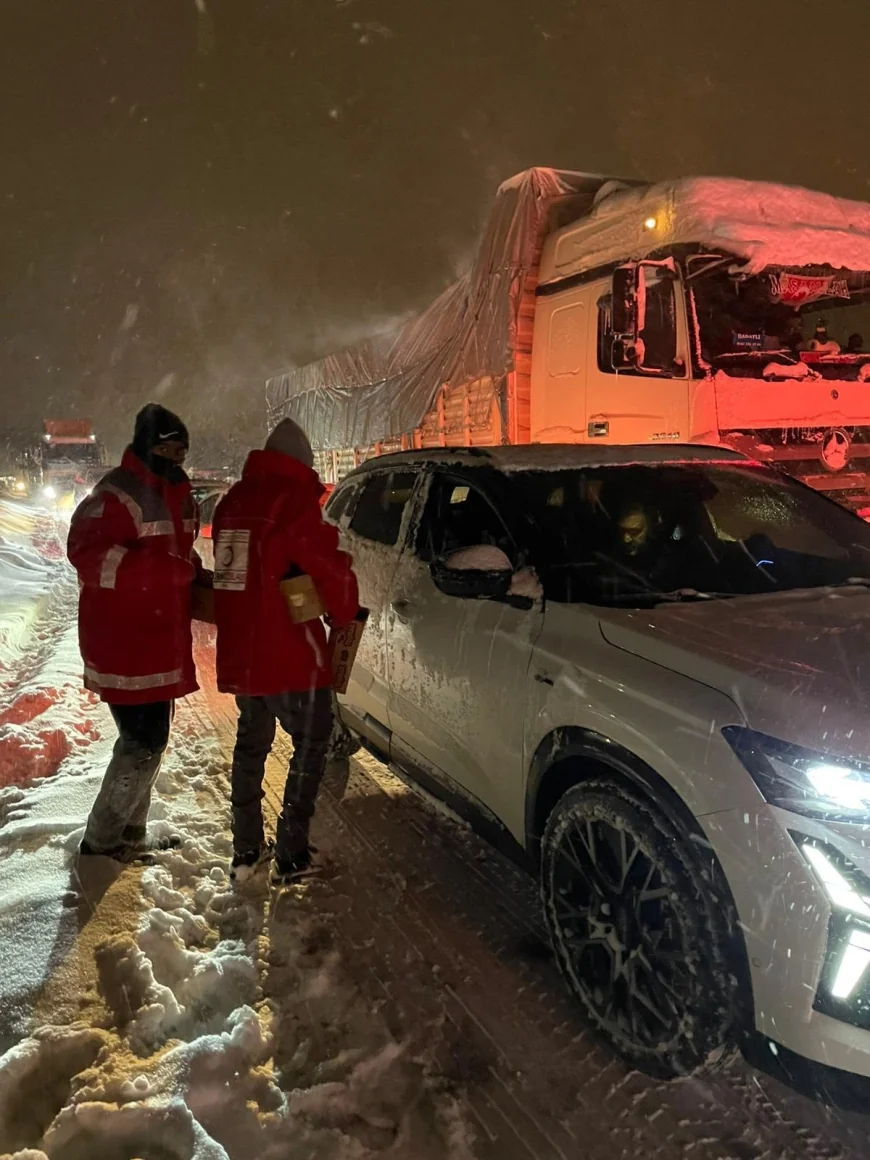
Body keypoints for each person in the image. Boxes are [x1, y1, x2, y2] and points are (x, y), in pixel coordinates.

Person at [212, 418, 359, 883]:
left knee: (250, 747)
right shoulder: (292, 502)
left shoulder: (232, 501)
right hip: (291, 651)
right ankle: (293, 854)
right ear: (303, 462)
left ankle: (246, 851)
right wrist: (344, 612)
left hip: (243, 649)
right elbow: (327, 570)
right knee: (313, 742)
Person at [67, 404, 201, 861]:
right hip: (124, 638)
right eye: (170, 447)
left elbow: (178, 553)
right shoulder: (115, 494)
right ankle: (102, 842)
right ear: (150, 446)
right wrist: (165, 573)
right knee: (143, 742)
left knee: (149, 740)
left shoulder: (176, 491)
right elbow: (89, 555)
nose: (178, 457)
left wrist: (193, 573)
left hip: (159, 638)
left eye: (183, 449)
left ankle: (129, 832)